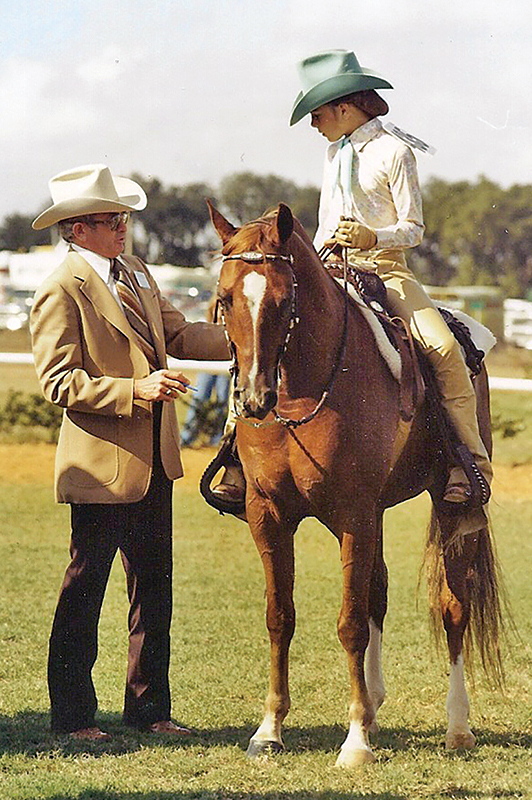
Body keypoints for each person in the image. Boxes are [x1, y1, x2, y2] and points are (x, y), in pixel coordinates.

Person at [30, 164, 229, 741]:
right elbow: (58, 382)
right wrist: (133, 391)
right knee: (84, 595)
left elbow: (183, 336)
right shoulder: (60, 289)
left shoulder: (137, 273)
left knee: (153, 593)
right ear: (75, 230)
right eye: (108, 219)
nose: (122, 227)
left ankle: (149, 711)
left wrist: (251, 334)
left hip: (155, 465)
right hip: (100, 468)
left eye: (122, 218)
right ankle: (71, 720)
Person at [288, 48, 492, 505]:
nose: (314, 124)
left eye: (316, 114)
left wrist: (369, 235)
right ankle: (235, 451)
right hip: (330, 269)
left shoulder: (395, 152)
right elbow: (324, 221)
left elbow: (413, 229)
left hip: (385, 270)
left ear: (344, 107)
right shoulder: (331, 153)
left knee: (442, 350)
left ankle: (469, 464)